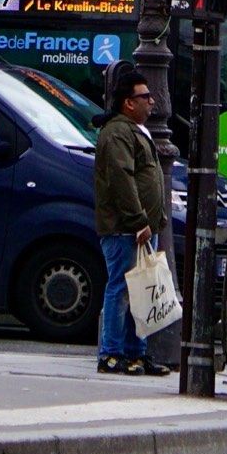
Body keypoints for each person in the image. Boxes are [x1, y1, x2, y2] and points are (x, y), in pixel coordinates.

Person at [93, 66, 167, 376]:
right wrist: (139, 221)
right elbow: (122, 180)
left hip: (141, 228)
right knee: (121, 289)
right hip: (127, 229)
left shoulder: (133, 130)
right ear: (128, 102)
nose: (153, 101)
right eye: (145, 96)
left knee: (141, 291)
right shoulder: (118, 133)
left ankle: (137, 353)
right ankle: (111, 353)